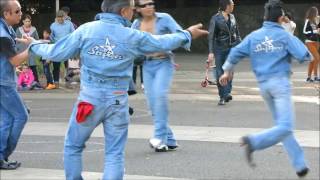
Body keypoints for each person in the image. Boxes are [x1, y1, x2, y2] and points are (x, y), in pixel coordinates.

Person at [25, 0, 208, 179]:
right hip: (118, 100)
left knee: (73, 146)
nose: (133, 12)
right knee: (114, 154)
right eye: (130, 9)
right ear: (122, 12)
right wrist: (187, 34)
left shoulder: (87, 30)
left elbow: (56, 52)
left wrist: (34, 45)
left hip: (89, 100)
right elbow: (161, 42)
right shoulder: (131, 35)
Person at [219, 0, 311, 177]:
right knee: (285, 126)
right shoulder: (284, 36)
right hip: (280, 85)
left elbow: (236, 51)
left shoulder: (254, 36)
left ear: (265, 17)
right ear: (281, 17)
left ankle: (300, 165)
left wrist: (226, 70)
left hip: (264, 87)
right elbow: (304, 56)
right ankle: (253, 142)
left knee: (282, 127)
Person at [132, 0, 185, 152]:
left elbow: (180, 35)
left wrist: (168, 44)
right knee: (152, 103)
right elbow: (130, 43)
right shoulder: (136, 25)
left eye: (151, 3)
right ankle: (170, 139)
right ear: (138, 9)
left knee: (160, 96)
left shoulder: (164, 18)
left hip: (164, 63)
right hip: (147, 65)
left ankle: (160, 138)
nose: (149, 7)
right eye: (144, 5)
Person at [0, 0, 31, 170]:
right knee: (21, 115)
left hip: (4, 79)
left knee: (6, 119)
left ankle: (1, 157)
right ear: (6, 14)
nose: (21, 14)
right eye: (17, 11)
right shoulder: (3, 35)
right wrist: (33, 48)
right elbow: (15, 60)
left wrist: (24, 41)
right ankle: (3, 155)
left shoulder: (6, 28)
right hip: (3, 83)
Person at [208, 0, 241, 105]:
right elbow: (211, 37)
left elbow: (237, 32)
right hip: (220, 49)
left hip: (232, 48)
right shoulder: (216, 18)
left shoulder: (232, 17)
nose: (233, 6)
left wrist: (240, 45)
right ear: (226, 6)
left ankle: (227, 93)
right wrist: (211, 52)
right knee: (219, 73)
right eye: (232, 4)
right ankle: (222, 96)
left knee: (230, 71)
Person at [50, 10, 75, 88]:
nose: (60, 19)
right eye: (58, 17)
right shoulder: (53, 25)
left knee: (69, 66)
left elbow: (74, 34)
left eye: (61, 17)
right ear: (56, 18)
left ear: (64, 17)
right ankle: (56, 82)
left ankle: (68, 82)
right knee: (56, 66)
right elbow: (51, 37)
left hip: (67, 47)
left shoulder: (69, 24)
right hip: (57, 47)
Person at [15, 14, 40, 85]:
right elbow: (17, 40)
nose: (28, 23)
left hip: (31, 51)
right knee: (22, 67)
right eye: (26, 21)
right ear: (23, 21)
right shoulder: (18, 29)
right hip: (21, 51)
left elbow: (37, 40)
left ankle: (36, 82)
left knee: (32, 66)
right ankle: (21, 82)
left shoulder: (34, 29)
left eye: (29, 21)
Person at [303, 6, 320, 83]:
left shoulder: (315, 21)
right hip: (309, 42)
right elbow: (304, 31)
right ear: (313, 12)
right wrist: (314, 32)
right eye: (316, 12)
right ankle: (315, 76)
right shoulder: (308, 20)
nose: (317, 13)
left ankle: (309, 77)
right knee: (317, 58)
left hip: (316, 42)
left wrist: (318, 31)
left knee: (313, 60)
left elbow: (317, 32)